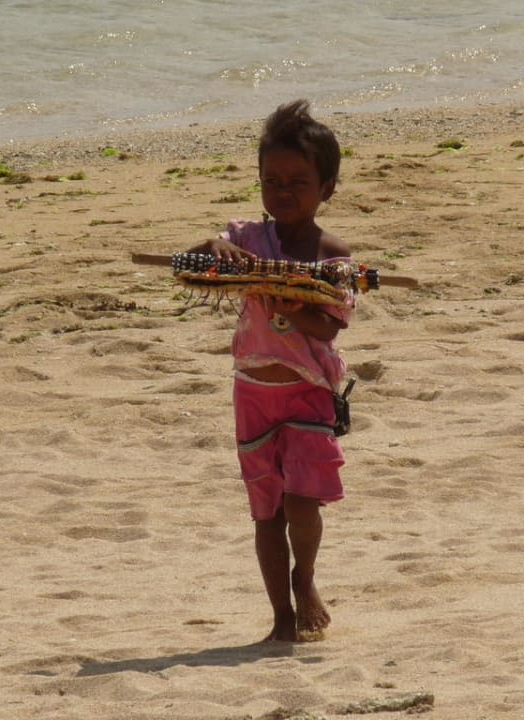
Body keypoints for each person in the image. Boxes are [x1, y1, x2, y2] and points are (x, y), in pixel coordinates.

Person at [187, 99, 352, 642]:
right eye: (271, 180)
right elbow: (202, 259)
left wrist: (288, 304)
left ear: (327, 187)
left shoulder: (331, 255)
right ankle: (280, 617)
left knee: (303, 501)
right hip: (253, 392)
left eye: (299, 181)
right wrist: (213, 247)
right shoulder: (248, 242)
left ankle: (304, 580)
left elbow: (328, 329)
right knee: (266, 513)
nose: (283, 191)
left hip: (308, 390)